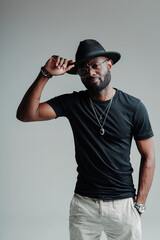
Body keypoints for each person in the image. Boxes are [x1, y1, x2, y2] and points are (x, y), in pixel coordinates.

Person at [16, 39, 155, 240]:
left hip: (123, 203)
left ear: (109, 64)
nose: (90, 73)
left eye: (94, 65)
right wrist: (45, 75)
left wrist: (140, 203)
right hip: (84, 205)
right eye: (83, 69)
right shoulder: (72, 103)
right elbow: (26, 114)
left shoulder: (134, 107)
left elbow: (149, 156)